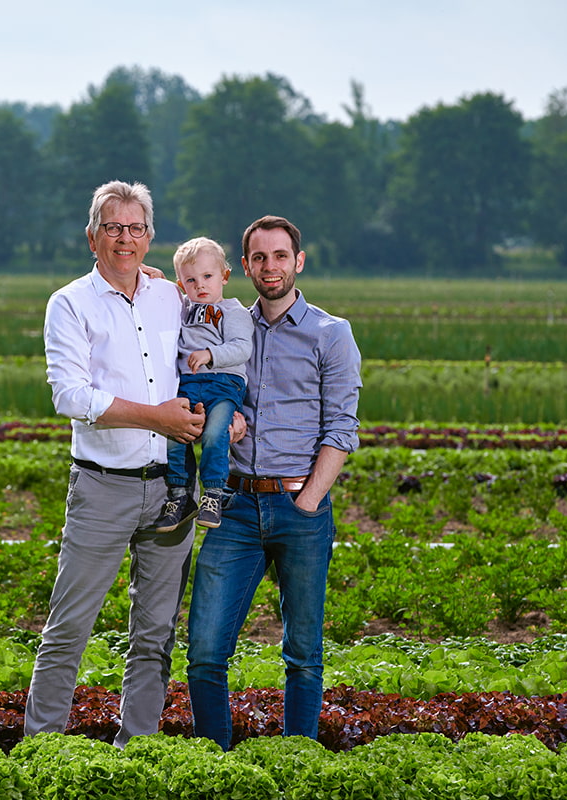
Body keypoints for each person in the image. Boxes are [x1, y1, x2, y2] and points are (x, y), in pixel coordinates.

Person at [25, 180, 206, 747]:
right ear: (92, 237)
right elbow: (71, 398)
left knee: (155, 633)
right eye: (112, 228)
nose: (124, 239)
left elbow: (223, 328)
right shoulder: (70, 303)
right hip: (103, 488)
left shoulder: (169, 297)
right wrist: (158, 418)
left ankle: (137, 750)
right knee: (69, 628)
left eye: (135, 229)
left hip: (172, 487)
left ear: (149, 237)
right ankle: (42, 750)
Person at [187, 214, 362, 748]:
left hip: (299, 508)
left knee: (303, 654)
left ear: (298, 262)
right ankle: (219, 764)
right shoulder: (225, 324)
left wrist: (308, 501)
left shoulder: (331, 333)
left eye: (280, 256)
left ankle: (298, 760)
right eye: (259, 258)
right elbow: (167, 286)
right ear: (244, 266)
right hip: (234, 506)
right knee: (205, 654)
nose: (270, 267)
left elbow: (342, 427)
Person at [153, 237, 253, 532]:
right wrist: (154, 276)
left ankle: (213, 494)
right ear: (182, 284)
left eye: (208, 276)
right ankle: (180, 496)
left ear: (225, 275)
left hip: (223, 383)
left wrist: (211, 355)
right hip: (189, 383)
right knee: (175, 433)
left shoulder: (234, 311)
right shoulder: (183, 305)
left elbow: (241, 348)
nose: (201, 286)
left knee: (213, 434)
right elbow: (161, 289)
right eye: (191, 280)